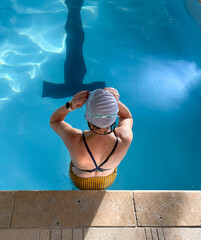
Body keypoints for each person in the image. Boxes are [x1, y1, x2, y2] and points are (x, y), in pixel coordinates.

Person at [50, 87, 133, 190]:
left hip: (80, 180)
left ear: (87, 116)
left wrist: (70, 105)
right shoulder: (124, 138)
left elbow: (55, 121)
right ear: (114, 115)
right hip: (107, 180)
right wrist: (113, 101)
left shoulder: (74, 139)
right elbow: (127, 117)